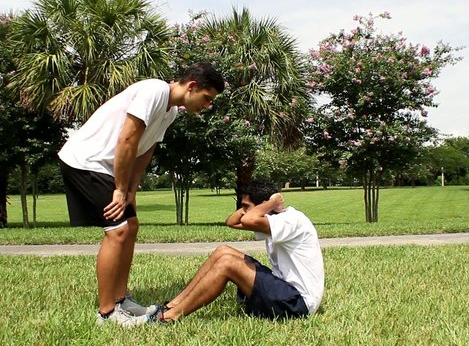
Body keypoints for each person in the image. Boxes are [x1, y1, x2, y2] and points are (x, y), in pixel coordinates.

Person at [57, 63, 225, 326]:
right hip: (87, 161)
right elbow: (127, 140)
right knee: (118, 231)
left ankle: (121, 299)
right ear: (192, 86)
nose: (207, 106)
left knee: (131, 226)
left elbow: (144, 151)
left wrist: (131, 190)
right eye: (207, 98)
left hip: (108, 167)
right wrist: (119, 189)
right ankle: (107, 313)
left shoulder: (169, 112)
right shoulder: (154, 91)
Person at [123, 179, 325, 327]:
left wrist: (271, 203)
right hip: (285, 292)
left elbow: (246, 220)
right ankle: (170, 306)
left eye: (246, 207)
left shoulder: (290, 220)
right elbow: (232, 221)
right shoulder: (275, 218)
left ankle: (168, 318)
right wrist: (261, 204)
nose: (243, 211)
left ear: (264, 207)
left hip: (297, 304)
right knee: (223, 252)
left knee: (227, 264)